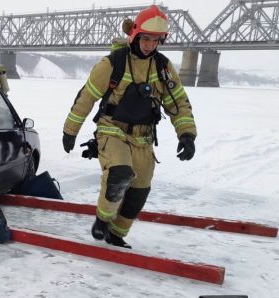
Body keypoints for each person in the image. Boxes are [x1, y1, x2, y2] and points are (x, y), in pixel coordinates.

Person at [62, 5, 197, 248]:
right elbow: (86, 98)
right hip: (112, 130)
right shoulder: (112, 63)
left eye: (155, 40)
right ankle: (103, 220)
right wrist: (70, 131)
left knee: (139, 190)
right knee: (120, 173)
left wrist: (186, 134)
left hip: (143, 138)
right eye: (146, 39)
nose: (149, 45)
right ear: (134, 35)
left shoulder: (163, 68)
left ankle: (116, 233)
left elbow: (178, 103)